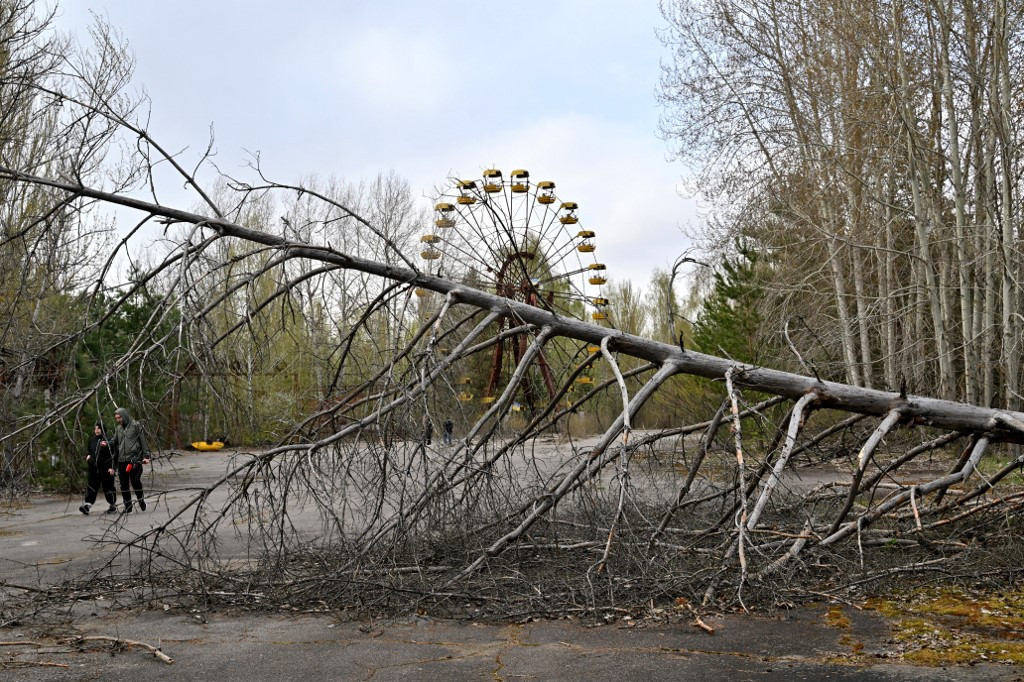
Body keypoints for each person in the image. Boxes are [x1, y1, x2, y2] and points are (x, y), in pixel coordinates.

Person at [105, 407, 151, 512]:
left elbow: (143, 441)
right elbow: (115, 441)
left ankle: (141, 500)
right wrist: (107, 443)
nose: (118, 420)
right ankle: (128, 506)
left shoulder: (136, 426)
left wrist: (146, 456)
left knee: (135, 481)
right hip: (122, 460)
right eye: (116, 418)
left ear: (124, 416)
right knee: (123, 484)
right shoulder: (118, 429)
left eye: (119, 417)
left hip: (134, 459)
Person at [79, 422, 117, 515]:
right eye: (95, 428)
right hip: (93, 468)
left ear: (103, 429)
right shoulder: (92, 440)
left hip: (106, 468)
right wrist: (88, 457)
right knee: (92, 486)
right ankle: (87, 505)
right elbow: (89, 451)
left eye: (99, 428)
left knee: (108, 487)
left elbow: (114, 455)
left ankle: (112, 505)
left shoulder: (109, 440)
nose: (97, 430)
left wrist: (112, 468)